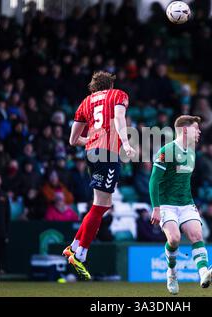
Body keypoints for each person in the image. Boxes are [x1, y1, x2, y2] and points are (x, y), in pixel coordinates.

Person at [62, 71, 135, 280]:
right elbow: (120, 119)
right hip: (108, 152)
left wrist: (93, 139)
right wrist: (127, 143)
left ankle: (75, 247)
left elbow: (73, 140)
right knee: (101, 205)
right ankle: (80, 252)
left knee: (102, 203)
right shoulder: (118, 95)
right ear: (110, 85)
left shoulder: (85, 102)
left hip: (91, 153)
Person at [149, 115, 212, 295]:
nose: (199, 132)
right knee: (174, 239)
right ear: (184, 130)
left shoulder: (192, 152)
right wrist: (156, 207)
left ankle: (204, 273)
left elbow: (184, 181)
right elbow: (153, 181)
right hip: (166, 205)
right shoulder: (166, 151)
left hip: (186, 204)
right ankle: (172, 272)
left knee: (197, 235)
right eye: (195, 128)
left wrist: (191, 204)